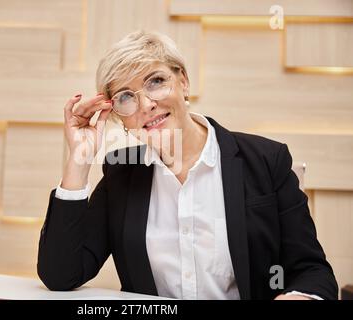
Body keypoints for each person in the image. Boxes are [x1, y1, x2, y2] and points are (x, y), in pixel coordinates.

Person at [37, 30, 338, 300]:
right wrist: (79, 158)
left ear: (183, 82)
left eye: (155, 82)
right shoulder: (121, 173)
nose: (146, 105)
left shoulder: (266, 161)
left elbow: (312, 272)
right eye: (126, 97)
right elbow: (61, 275)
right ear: (118, 116)